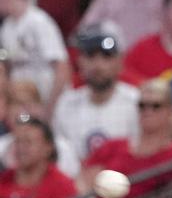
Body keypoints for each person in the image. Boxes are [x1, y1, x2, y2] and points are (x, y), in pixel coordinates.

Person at [80, 79, 172, 198]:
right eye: (142, 106)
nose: (148, 111)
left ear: (170, 111)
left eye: (156, 106)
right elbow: (84, 183)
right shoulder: (112, 147)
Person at [52, 26, 139, 164]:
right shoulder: (67, 103)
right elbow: (61, 155)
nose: (98, 65)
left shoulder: (136, 101)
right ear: (80, 62)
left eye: (106, 57)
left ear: (119, 62)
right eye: (91, 56)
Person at [0, 0, 70, 111]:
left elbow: (62, 68)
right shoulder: (7, 27)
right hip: (22, 100)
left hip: (48, 96)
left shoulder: (38, 21)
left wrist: (50, 108)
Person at [0, 117, 78, 198]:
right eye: (17, 141)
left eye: (28, 142)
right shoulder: (3, 180)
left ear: (48, 148)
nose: (21, 148)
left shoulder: (62, 185)